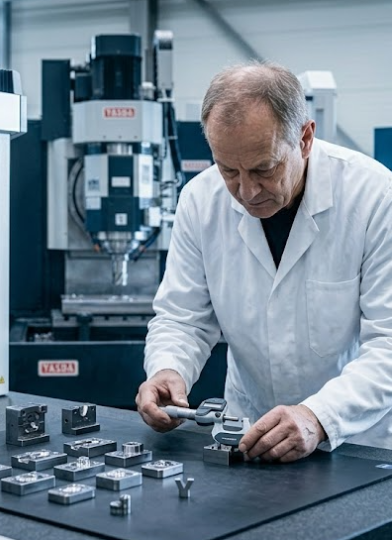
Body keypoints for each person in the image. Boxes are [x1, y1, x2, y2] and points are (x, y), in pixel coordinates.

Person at [136, 61, 392, 462]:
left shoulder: (375, 198)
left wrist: (319, 416)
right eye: (228, 170)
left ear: (305, 138)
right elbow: (183, 318)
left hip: (355, 440)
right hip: (249, 436)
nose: (247, 191)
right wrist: (169, 369)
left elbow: (389, 345)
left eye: (264, 169)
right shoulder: (200, 201)